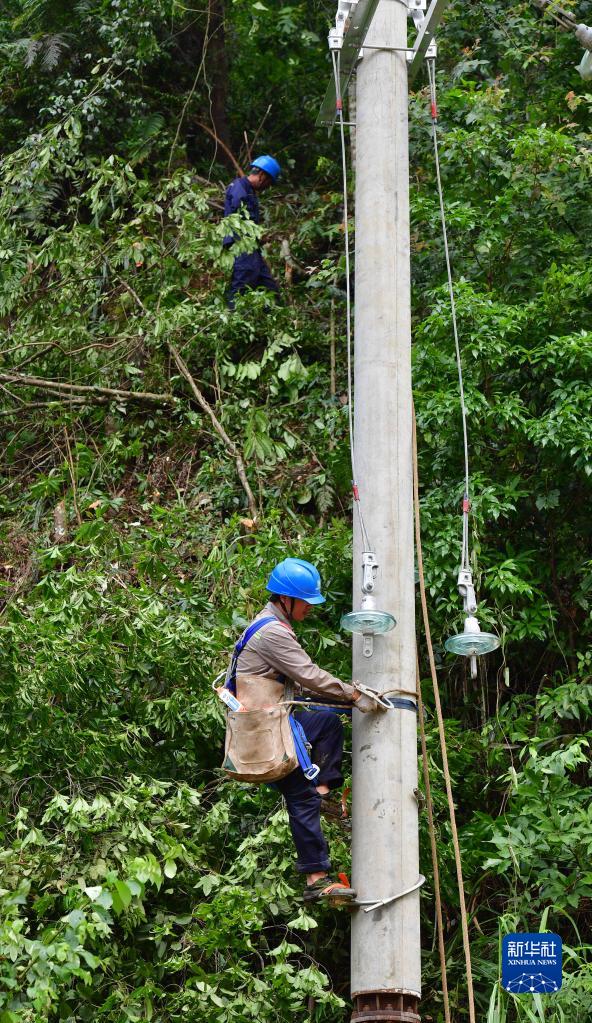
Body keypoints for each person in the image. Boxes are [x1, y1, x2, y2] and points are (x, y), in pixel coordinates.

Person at [232, 557, 386, 904]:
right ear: (286, 599)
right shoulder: (272, 632)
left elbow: (301, 689)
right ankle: (317, 877)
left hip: (269, 725)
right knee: (300, 797)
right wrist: (354, 694)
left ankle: (322, 791)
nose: (309, 609)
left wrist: (346, 698)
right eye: (306, 602)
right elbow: (309, 675)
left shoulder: (267, 625)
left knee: (326, 722)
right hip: (265, 734)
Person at [223, 155, 282, 307]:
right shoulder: (239, 189)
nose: (267, 187)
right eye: (268, 182)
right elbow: (238, 218)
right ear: (262, 175)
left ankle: (274, 320)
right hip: (242, 247)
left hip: (251, 248)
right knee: (241, 288)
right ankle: (230, 323)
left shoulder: (248, 190)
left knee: (269, 288)